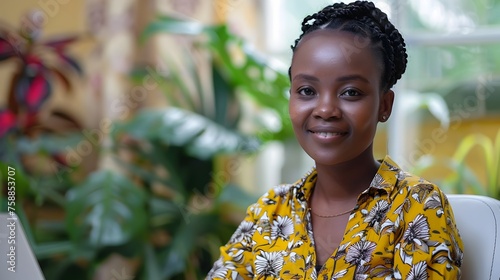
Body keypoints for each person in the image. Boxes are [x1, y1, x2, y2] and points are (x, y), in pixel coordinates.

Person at [207, 1, 464, 279]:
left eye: (350, 92)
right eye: (307, 90)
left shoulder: (416, 207)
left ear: (384, 106)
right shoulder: (270, 210)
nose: (326, 109)